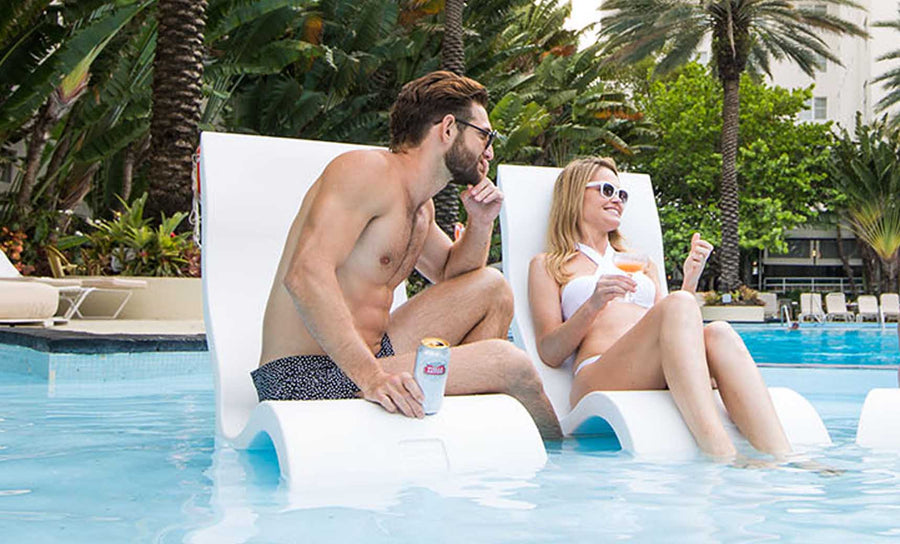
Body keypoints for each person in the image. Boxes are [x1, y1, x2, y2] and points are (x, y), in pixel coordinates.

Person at [252, 71, 562, 439]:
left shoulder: (420, 207)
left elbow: (454, 275)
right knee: (510, 364)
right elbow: (304, 276)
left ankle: (466, 432)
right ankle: (565, 471)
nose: (490, 151)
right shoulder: (366, 171)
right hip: (303, 377)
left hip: (372, 357)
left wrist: (480, 223)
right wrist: (371, 377)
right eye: (485, 135)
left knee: (491, 289)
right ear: (448, 129)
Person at [527, 157, 791, 458]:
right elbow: (549, 352)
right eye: (607, 190)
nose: (617, 200)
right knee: (679, 303)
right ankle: (721, 453)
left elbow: (671, 320)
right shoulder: (549, 265)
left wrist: (690, 279)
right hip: (599, 371)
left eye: (622, 195)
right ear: (575, 194)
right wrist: (593, 305)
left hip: (656, 364)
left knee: (719, 332)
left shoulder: (640, 261)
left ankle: (783, 457)